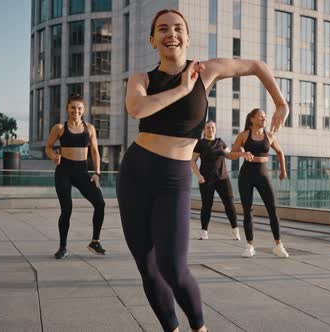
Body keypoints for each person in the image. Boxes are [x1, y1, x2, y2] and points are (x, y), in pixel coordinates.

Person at [117, 9, 289, 332]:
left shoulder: (206, 72)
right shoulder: (141, 79)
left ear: (188, 36)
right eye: (163, 29)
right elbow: (137, 108)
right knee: (148, 267)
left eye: (178, 28)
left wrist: (281, 102)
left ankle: (199, 327)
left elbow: (255, 65)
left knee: (174, 269)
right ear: (152, 39)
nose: (172, 34)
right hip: (136, 174)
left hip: (174, 178)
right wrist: (182, 89)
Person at [45, 94, 106, 259]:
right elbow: (48, 147)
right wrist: (53, 156)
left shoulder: (90, 128)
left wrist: (97, 173)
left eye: (79, 108)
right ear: (67, 109)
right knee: (67, 209)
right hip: (64, 171)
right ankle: (62, 247)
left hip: (82, 172)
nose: (76, 111)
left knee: (100, 203)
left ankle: (95, 241)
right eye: (73, 107)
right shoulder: (59, 128)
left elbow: (94, 151)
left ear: (84, 110)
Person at [232, 108, 289, 258]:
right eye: (261, 117)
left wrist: (283, 171)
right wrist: (242, 154)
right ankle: (249, 246)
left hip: (263, 175)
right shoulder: (244, 135)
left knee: (272, 209)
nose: (264, 119)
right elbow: (231, 154)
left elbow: (280, 152)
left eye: (265, 117)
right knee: (247, 210)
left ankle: (278, 245)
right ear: (252, 119)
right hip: (246, 175)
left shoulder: (269, 135)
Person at [191, 120, 244, 240]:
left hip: (223, 178)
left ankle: (235, 230)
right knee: (207, 205)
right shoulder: (200, 143)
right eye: (208, 128)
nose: (211, 130)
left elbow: (229, 155)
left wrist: (241, 154)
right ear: (204, 130)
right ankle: (204, 231)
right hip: (206, 179)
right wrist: (199, 176)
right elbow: (192, 160)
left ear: (215, 129)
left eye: (213, 128)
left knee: (229, 204)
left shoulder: (220, 142)